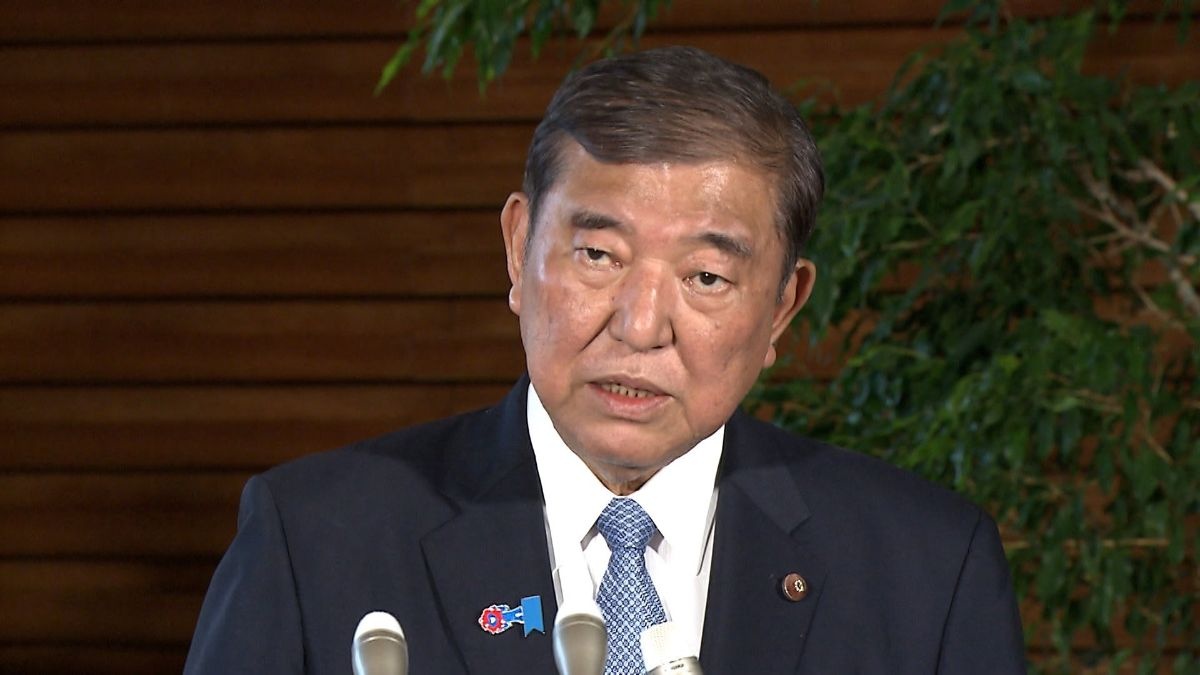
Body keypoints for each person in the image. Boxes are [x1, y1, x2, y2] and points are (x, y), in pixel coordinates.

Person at [184, 46, 1025, 674]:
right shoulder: (315, 542)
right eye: (598, 256)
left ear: (782, 306)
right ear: (519, 248)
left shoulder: (927, 568)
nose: (640, 324)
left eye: (706, 276)